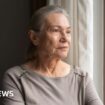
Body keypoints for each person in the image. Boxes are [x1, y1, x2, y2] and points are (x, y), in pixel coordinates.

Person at [1, 5, 103, 105]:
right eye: (55, 30)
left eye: (68, 31)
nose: (65, 38)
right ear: (34, 38)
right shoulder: (13, 78)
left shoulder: (82, 78)